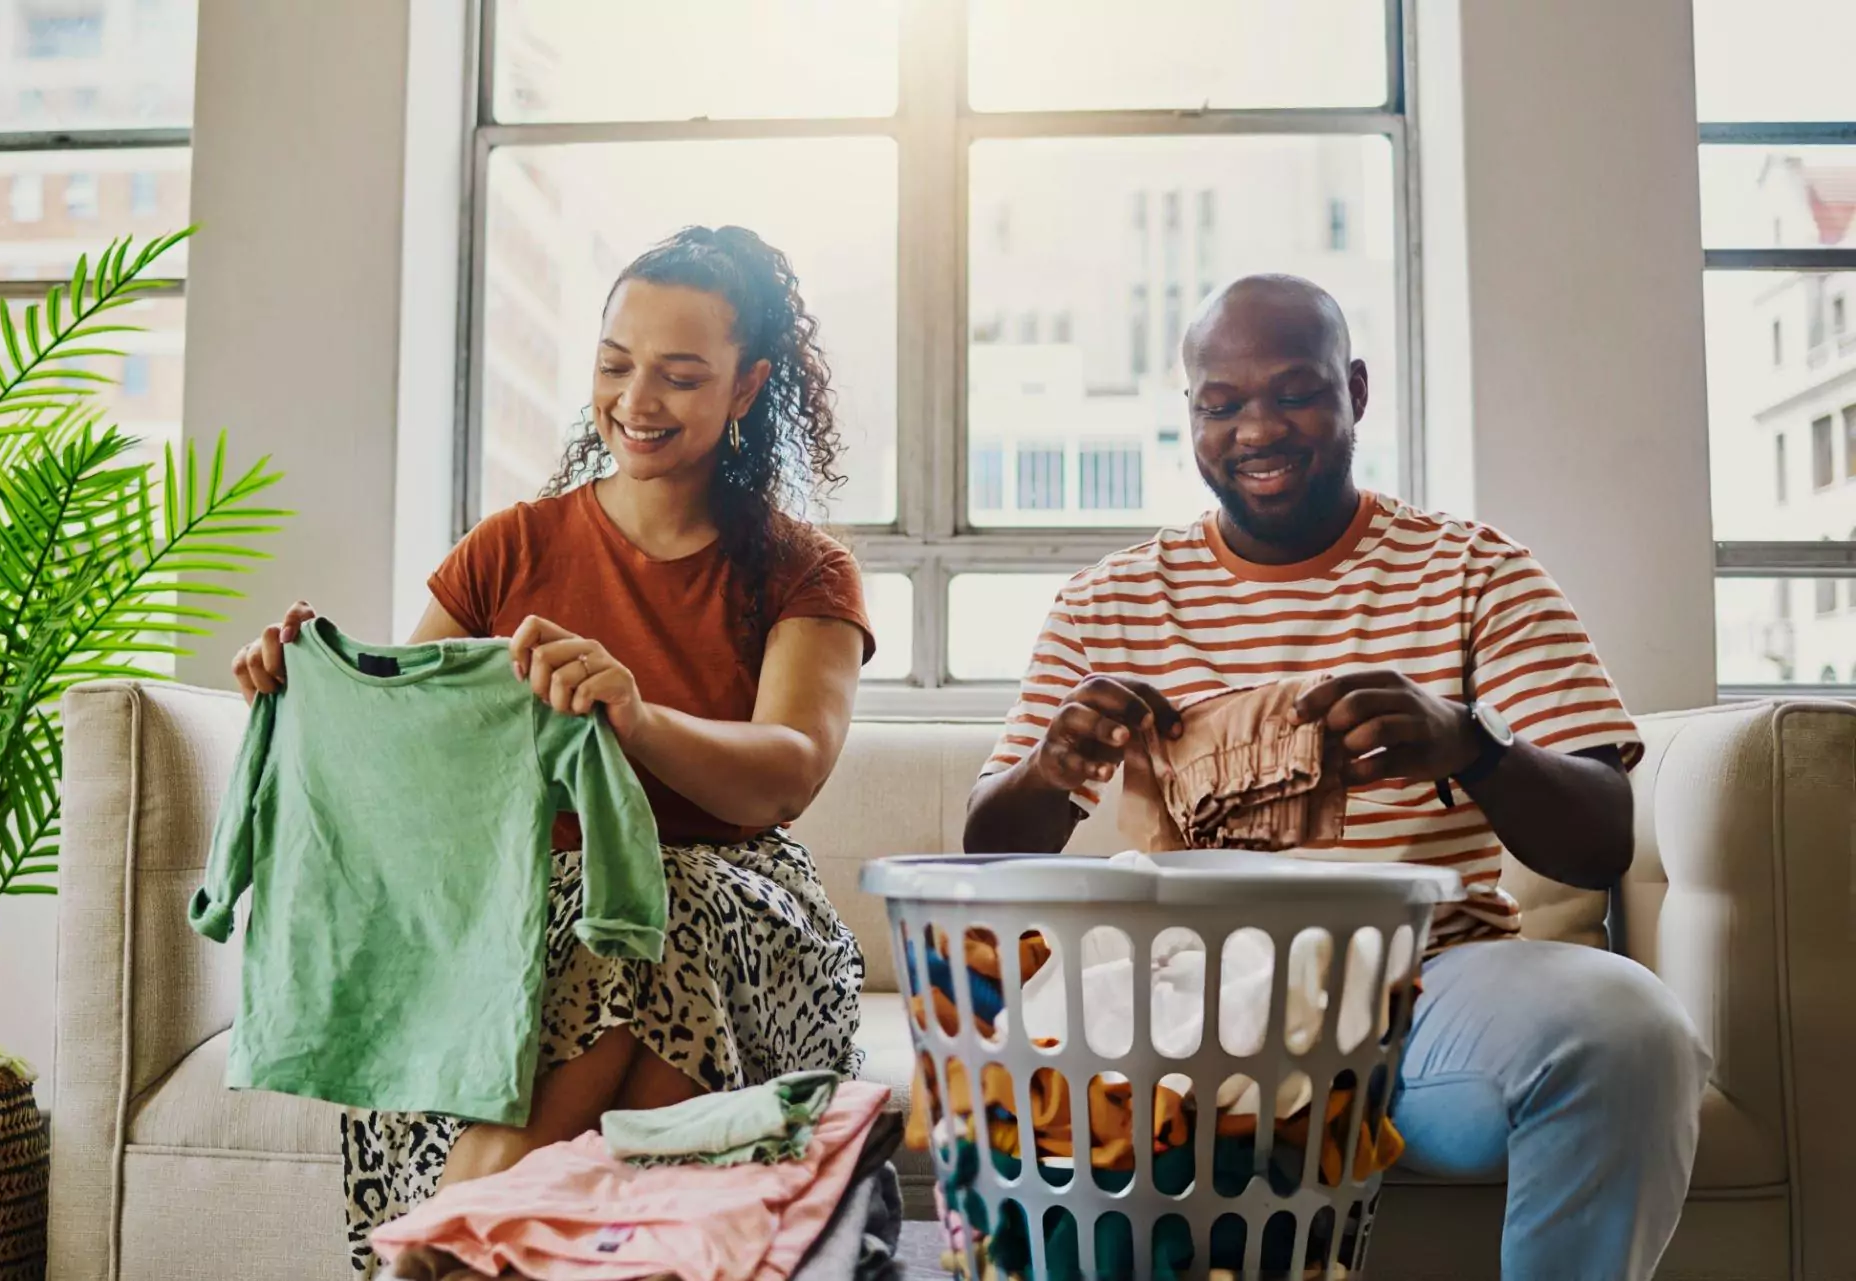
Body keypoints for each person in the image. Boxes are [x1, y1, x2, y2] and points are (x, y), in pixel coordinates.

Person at [964, 274, 1711, 1281]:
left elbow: (1598, 838)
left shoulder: (1473, 574)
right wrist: (1052, 767)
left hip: (1423, 988)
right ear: (1189, 414)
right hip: (1182, 1002)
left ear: (1355, 390)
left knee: (1629, 1031)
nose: (1256, 429)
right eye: (1220, 404)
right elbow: (986, 851)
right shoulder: (1108, 603)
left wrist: (1473, 746)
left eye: (1294, 392)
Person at [230, 226, 874, 1280]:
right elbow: (411, 749)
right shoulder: (509, 549)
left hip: (738, 919)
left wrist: (633, 716)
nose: (636, 400)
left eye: (679, 376)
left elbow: (787, 768)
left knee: (655, 911)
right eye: (615, 365)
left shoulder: (804, 570)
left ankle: (448, 1238)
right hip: (523, 922)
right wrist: (302, 685)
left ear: (749, 385)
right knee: (611, 954)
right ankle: (488, 1244)